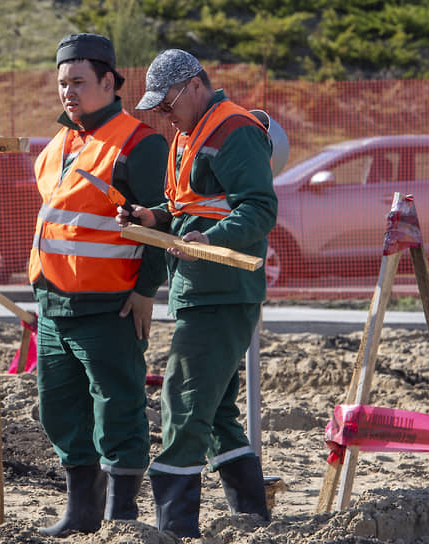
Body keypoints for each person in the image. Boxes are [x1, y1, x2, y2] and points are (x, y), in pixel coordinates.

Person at [120, 48, 278, 538]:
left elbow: (258, 209)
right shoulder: (188, 136)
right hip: (200, 288)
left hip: (223, 290)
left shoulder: (234, 130)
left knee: (183, 402)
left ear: (193, 85)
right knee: (217, 414)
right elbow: (188, 207)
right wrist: (153, 218)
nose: (163, 116)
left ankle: (175, 528)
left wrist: (210, 241)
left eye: (166, 104)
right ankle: (252, 517)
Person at [29, 33, 169, 537]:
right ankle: (81, 511)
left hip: (110, 304)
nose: (68, 92)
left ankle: (121, 515)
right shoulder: (62, 141)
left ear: (109, 82)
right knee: (58, 408)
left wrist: (146, 290)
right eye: (63, 83)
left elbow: (160, 223)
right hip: (53, 303)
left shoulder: (140, 143)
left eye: (79, 82)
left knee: (118, 406)